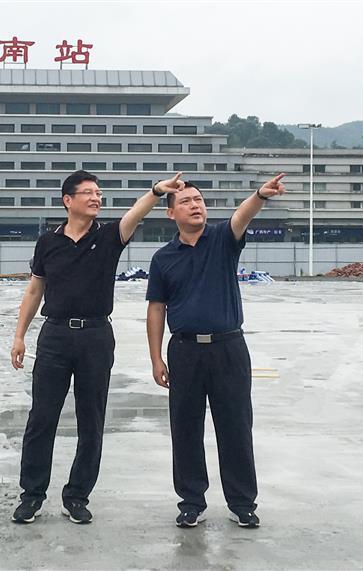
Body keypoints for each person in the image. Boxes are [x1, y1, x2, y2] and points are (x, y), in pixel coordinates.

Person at [10, 169, 185, 525]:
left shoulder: (108, 236)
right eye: (88, 192)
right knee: (42, 417)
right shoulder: (47, 242)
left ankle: (77, 495)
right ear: (68, 200)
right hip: (55, 335)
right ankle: (32, 495)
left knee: (92, 420)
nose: (96, 198)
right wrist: (19, 335)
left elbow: (135, 213)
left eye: (99, 193)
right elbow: (34, 289)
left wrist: (156, 191)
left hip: (95, 337)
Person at [145, 174, 286, 530]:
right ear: (171, 213)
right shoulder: (163, 258)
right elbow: (156, 308)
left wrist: (260, 195)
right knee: (186, 430)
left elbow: (242, 216)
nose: (195, 206)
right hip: (185, 351)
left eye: (199, 200)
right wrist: (156, 357)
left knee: (236, 427)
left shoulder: (223, 239)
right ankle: (191, 502)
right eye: (186, 201)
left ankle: (242, 503)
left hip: (228, 348)